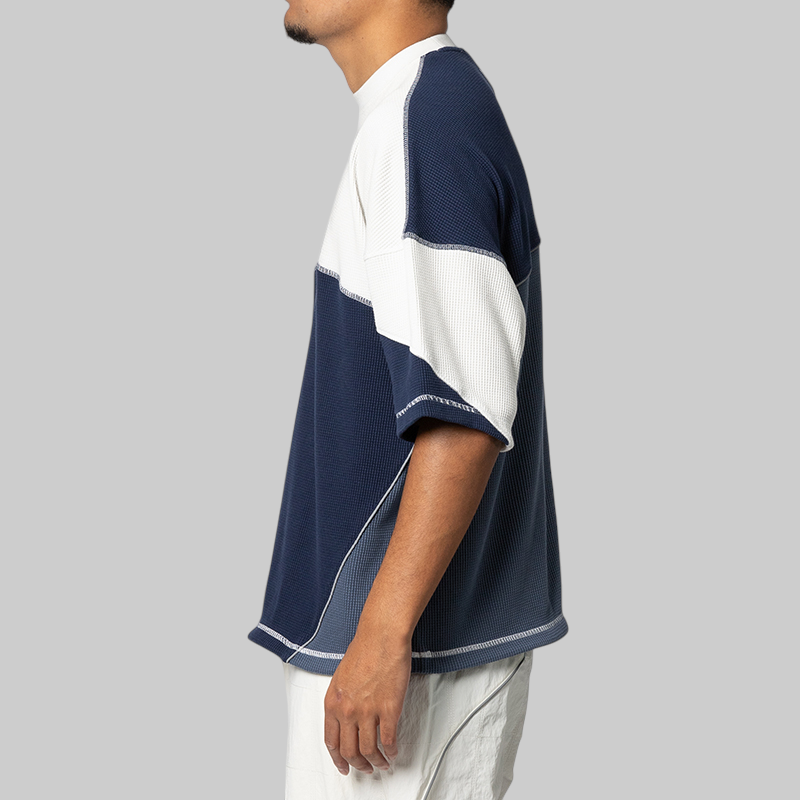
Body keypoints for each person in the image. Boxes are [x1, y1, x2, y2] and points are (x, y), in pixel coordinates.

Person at [247, 2, 569, 797]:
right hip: (400, 648)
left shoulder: (426, 123)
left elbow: (465, 417)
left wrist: (382, 634)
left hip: (411, 657)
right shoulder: (416, 111)